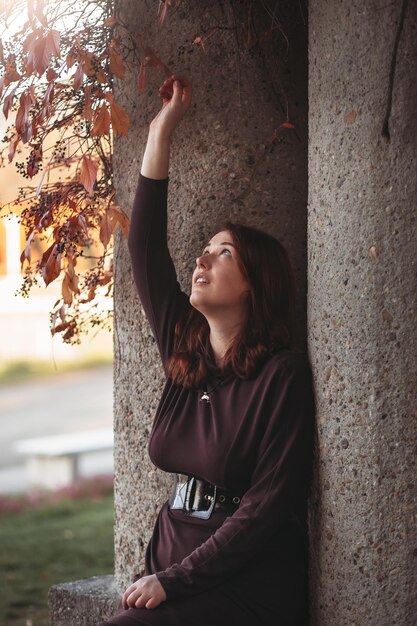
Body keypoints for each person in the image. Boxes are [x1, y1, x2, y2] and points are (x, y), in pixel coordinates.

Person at [99, 75, 315, 626]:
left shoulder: (281, 377)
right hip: (171, 570)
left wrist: (173, 581)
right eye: (204, 250)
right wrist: (160, 131)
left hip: (248, 584)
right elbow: (145, 249)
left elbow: (264, 511)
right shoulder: (187, 349)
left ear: (254, 285)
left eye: (222, 254)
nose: (202, 260)